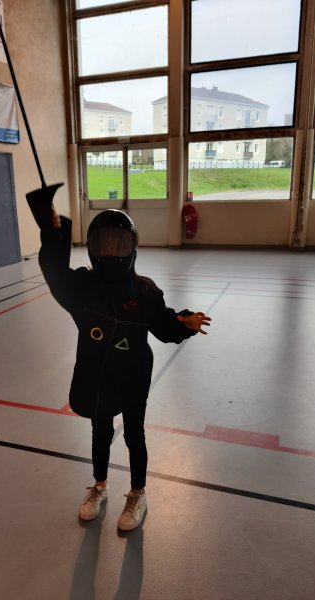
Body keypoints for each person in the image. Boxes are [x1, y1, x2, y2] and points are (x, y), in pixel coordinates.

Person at [31, 202, 211, 531]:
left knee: (133, 433)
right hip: (97, 373)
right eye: (104, 244)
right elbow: (54, 272)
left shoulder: (145, 292)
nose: (112, 251)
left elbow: (164, 325)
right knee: (100, 431)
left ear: (132, 247)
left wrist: (183, 323)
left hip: (133, 375)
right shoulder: (82, 289)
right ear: (93, 248)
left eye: (119, 243)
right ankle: (99, 487)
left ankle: (138, 493)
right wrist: (52, 231)